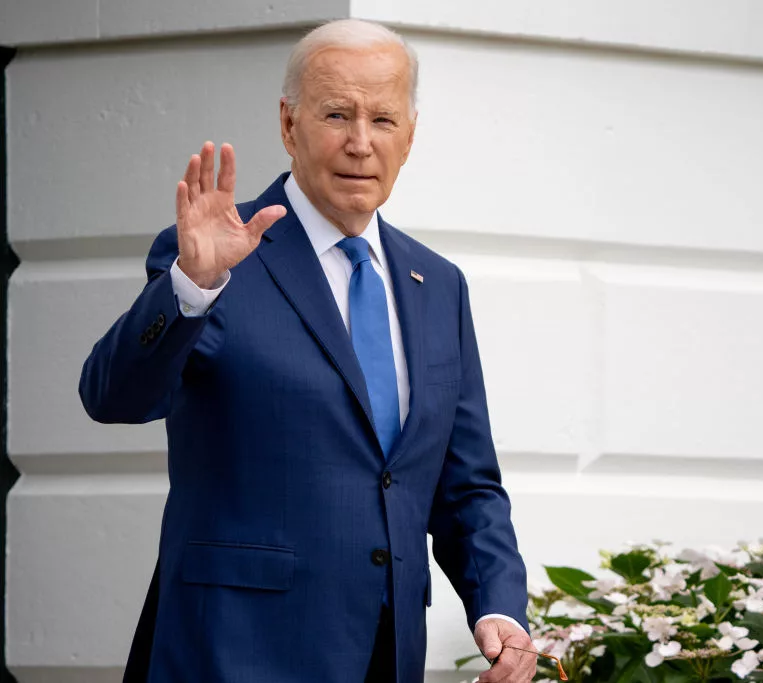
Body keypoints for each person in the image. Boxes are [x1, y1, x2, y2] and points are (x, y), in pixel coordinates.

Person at [79, 19, 535, 683]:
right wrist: (191, 285)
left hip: (387, 654)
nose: (360, 142)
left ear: (410, 136)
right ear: (289, 124)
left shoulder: (437, 284)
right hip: (234, 656)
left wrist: (499, 604)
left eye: (383, 119)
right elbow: (113, 395)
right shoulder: (220, 258)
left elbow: (466, 488)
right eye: (336, 114)